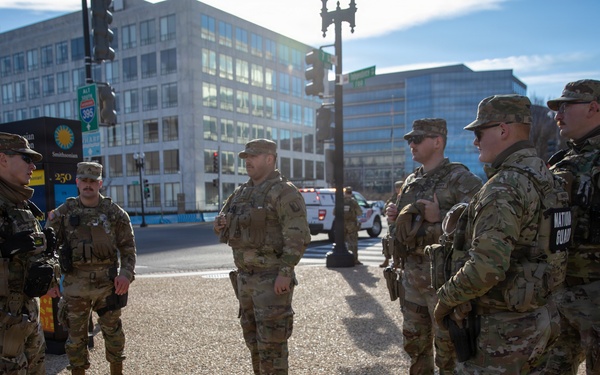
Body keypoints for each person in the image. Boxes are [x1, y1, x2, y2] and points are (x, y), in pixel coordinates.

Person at [434, 94, 569, 374]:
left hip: (503, 332)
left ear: (503, 130)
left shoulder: (503, 187)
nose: (475, 141)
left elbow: (486, 266)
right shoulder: (549, 178)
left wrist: (445, 299)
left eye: (480, 133)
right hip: (543, 316)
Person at [386, 118, 482, 374]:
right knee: (415, 346)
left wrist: (441, 219)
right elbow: (400, 233)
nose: (411, 144)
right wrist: (395, 220)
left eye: (417, 139)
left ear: (437, 142)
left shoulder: (461, 179)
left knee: (449, 351)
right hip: (412, 279)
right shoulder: (410, 181)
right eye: (409, 140)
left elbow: (481, 227)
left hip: (444, 281)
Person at [213, 139, 311, 375]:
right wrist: (220, 224)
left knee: (273, 348)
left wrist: (285, 273)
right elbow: (225, 223)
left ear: (270, 159)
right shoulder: (241, 192)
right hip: (245, 281)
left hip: (271, 280)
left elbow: (298, 236)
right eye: (246, 157)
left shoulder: (284, 191)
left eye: (253, 156)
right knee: (254, 344)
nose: (248, 161)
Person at [46, 162, 136, 375]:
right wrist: (51, 280)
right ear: (77, 182)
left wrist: (126, 274)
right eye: (84, 181)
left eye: (92, 181)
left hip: (107, 287)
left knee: (114, 336)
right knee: (76, 341)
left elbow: (128, 246)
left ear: (100, 184)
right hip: (75, 287)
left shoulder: (115, 213)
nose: (88, 185)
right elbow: (48, 248)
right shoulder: (64, 213)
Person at [544, 79, 600, 374]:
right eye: (557, 107)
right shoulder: (561, 161)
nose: (558, 114)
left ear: (594, 107)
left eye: (566, 106)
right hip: (561, 294)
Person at [0, 132, 59, 374]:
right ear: (3, 159)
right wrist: (5, 249)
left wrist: (47, 251)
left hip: (26, 317)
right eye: (26, 158)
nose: (33, 166)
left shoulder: (21, 204)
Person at [380, 180, 404, 268]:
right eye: (396, 187)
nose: (397, 189)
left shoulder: (405, 197)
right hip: (391, 224)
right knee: (389, 242)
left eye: (399, 187)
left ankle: (399, 261)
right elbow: (385, 208)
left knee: (399, 243)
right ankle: (387, 260)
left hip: (401, 224)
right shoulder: (392, 198)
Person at [343, 187, 363, 265]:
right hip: (351, 224)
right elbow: (359, 213)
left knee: (344, 242)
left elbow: (334, 212)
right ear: (351, 193)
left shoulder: (340, 202)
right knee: (353, 242)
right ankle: (354, 259)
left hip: (342, 224)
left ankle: (344, 258)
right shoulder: (353, 202)